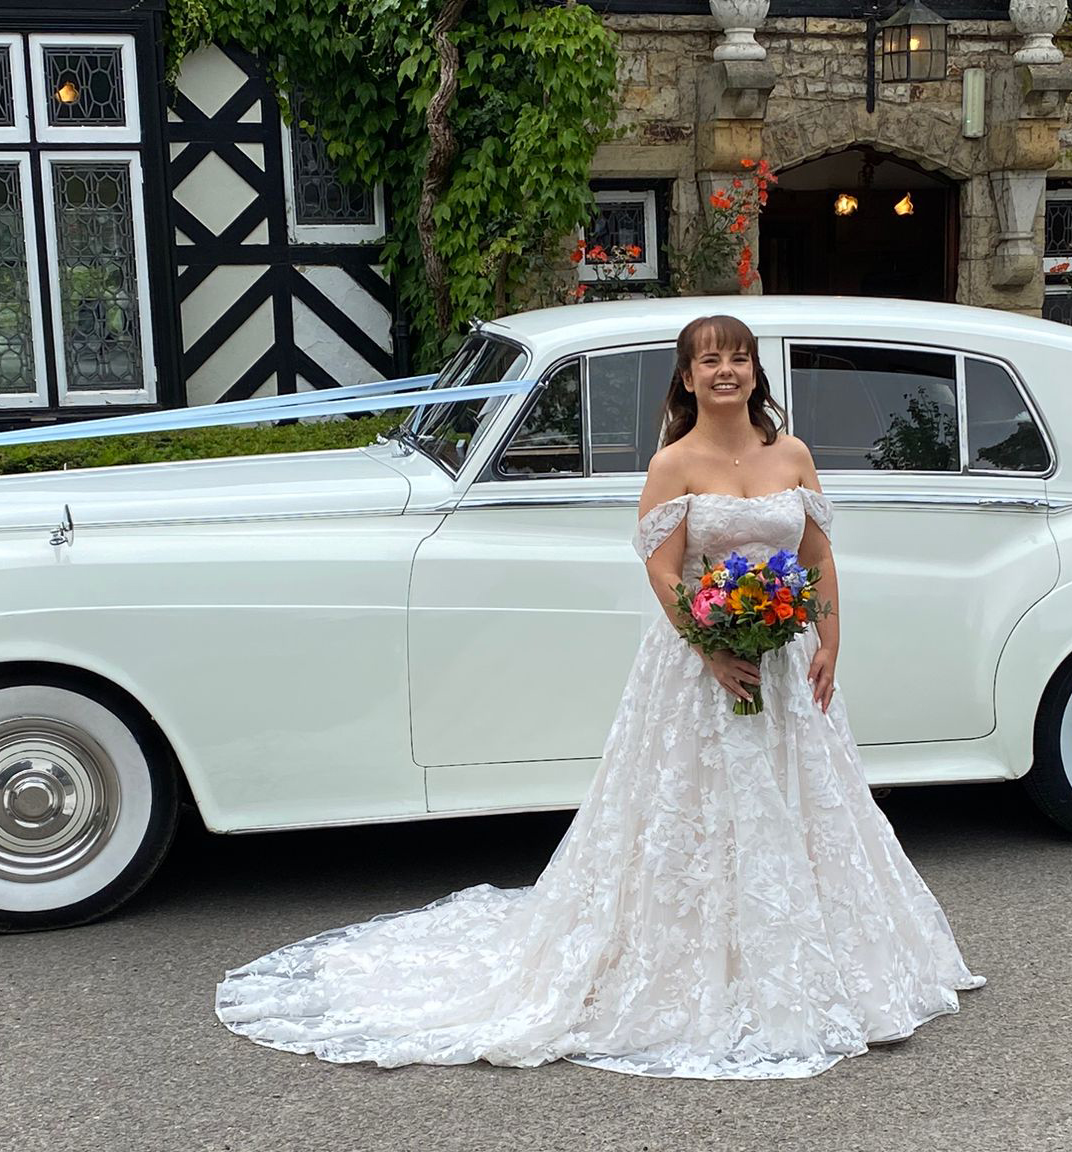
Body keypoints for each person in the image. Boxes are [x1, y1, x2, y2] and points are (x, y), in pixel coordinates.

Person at [215, 314, 985, 1080]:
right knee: (692, 804)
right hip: (697, 666)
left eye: (741, 359)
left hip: (782, 663)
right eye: (710, 360)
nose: (728, 371)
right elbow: (662, 568)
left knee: (805, 802)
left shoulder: (793, 453)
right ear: (686, 379)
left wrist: (831, 638)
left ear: (755, 374)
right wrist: (710, 644)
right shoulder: (673, 463)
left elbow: (816, 554)